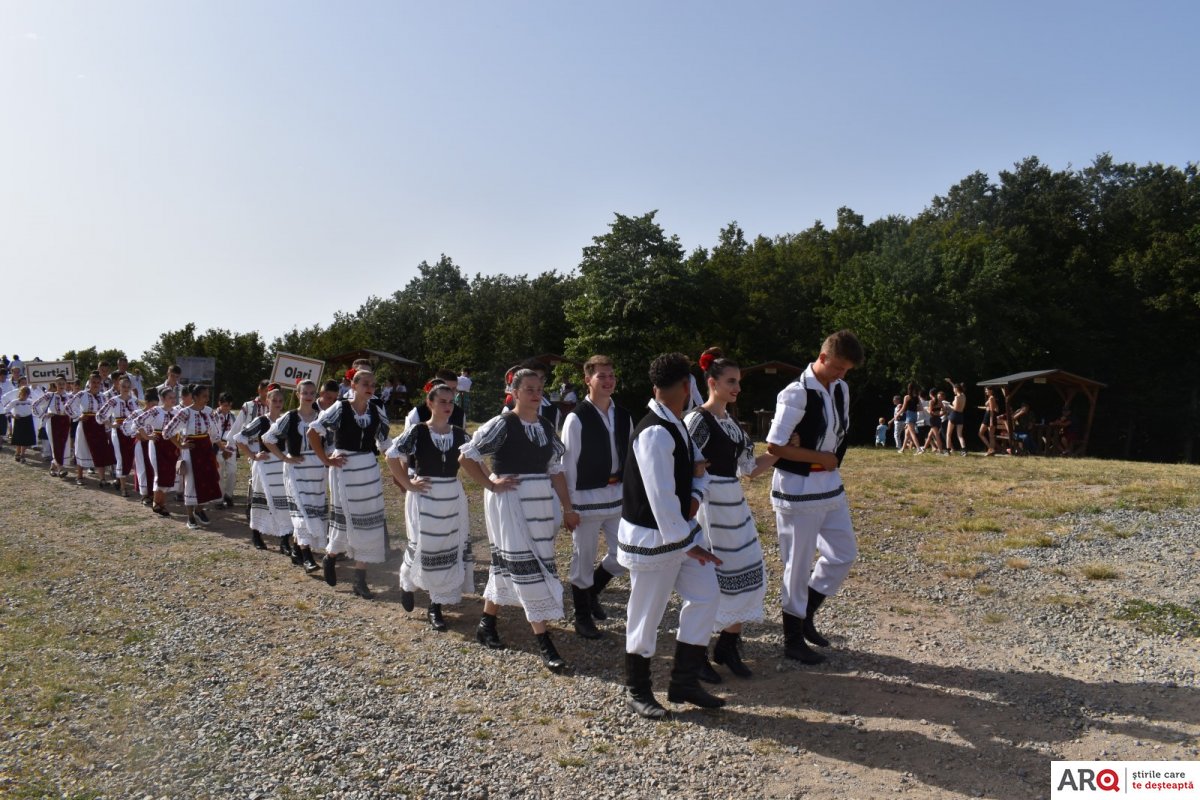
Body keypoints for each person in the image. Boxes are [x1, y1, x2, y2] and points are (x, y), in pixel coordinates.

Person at [619, 352, 724, 719]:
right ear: (686, 386)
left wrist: (695, 491)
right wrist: (689, 542)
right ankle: (637, 689)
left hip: (679, 534)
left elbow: (696, 472)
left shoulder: (674, 423)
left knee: (706, 595)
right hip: (653, 538)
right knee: (645, 613)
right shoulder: (654, 432)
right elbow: (661, 498)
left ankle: (684, 680)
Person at [459, 368, 578, 673]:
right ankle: (544, 641)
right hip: (510, 500)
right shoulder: (502, 424)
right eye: (529, 389)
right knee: (526, 564)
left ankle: (487, 623)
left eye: (539, 389)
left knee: (509, 564)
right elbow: (467, 457)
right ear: (514, 392)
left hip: (540, 502)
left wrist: (567, 507)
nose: (536, 394)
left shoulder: (545, 425)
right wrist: (491, 484)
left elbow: (555, 469)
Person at [765, 330, 863, 665]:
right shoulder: (795, 393)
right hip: (798, 487)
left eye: (846, 370)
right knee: (797, 564)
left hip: (829, 484)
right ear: (822, 357)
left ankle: (805, 614)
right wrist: (818, 457)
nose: (841, 374)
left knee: (843, 552)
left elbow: (840, 433)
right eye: (837, 367)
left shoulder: (840, 388)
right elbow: (775, 445)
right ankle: (792, 638)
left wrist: (829, 460)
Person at [684, 347, 781, 682]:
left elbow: (749, 469)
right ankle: (696, 654)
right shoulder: (698, 420)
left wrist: (779, 452)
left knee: (746, 570)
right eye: (731, 381)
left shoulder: (733, 425)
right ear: (712, 383)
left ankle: (727, 644)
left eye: (738, 381)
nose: (737, 387)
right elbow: (680, 462)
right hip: (708, 506)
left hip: (734, 506)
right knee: (710, 580)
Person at [385, 381, 472, 631]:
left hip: (451, 496)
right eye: (442, 401)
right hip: (424, 495)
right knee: (423, 545)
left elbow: (476, 458)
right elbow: (391, 455)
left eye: (450, 402)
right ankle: (407, 583)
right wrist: (407, 483)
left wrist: (493, 482)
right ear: (430, 403)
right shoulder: (419, 431)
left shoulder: (460, 434)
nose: (448, 406)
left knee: (446, 547)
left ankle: (436, 605)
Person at [560, 355, 632, 640]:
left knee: (624, 554)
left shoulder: (623, 415)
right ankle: (581, 616)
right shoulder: (576, 417)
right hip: (586, 498)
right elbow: (568, 465)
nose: (608, 380)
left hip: (617, 496)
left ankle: (592, 593)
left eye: (611, 375)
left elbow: (631, 458)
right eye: (602, 376)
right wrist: (569, 507)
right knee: (584, 558)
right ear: (587, 380)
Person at [306, 369, 390, 600]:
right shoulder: (340, 408)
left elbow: (385, 443)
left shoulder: (376, 409)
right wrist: (326, 459)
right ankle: (331, 555)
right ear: (353, 385)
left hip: (368, 468)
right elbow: (313, 432)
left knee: (368, 519)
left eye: (373, 384)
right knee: (345, 517)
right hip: (344, 466)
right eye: (365, 383)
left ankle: (360, 579)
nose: (370, 387)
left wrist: (399, 471)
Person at [262, 379, 327, 573]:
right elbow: (268, 438)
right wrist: (284, 457)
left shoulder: (322, 417)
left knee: (313, 510)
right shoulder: (290, 417)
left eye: (312, 393)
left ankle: (297, 551)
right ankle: (307, 557)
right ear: (298, 394)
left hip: (317, 470)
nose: (308, 396)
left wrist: (328, 458)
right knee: (301, 511)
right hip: (296, 469)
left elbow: (330, 441)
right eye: (305, 392)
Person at [235, 388, 291, 552]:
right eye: (274, 401)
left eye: (280, 401)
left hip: (281, 464)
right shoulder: (261, 421)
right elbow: (240, 438)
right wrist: (253, 455)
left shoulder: (285, 420)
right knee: (261, 500)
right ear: (267, 402)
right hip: (265, 464)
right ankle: (257, 534)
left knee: (285, 501)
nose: (278, 404)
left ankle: (284, 540)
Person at [163, 384, 223, 530]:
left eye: (208, 396)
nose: (207, 399)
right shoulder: (185, 412)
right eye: (204, 396)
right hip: (191, 450)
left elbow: (215, 433)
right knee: (191, 482)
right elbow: (167, 431)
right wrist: (180, 445)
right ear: (195, 397)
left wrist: (222, 447)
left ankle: (199, 509)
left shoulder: (209, 411)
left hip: (206, 449)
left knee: (208, 478)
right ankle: (190, 516)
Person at [70, 372, 117, 487]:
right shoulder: (82, 394)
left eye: (98, 382)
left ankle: (102, 479)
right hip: (85, 424)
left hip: (99, 425)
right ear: (89, 383)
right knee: (82, 449)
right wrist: (78, 416)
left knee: (101, 450)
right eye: (93, 382)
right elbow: (69, 406)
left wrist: (107, 426)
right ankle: (79, 476)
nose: (96, 385)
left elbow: (106, 412)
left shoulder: (103, 396)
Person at [97, 376, 140, 497]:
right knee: (120, 457)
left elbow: (139, 416)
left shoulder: (134, 400)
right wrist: (110, 424)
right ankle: (123, 487)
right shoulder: (114, 400)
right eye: (123, 386)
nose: (126, 389)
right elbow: (100, 415)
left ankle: (119, 480)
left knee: (130, 457)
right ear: (119, 387)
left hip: (131, 431)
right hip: (118, 431)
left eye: (128, 386)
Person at [141, 387, 178, 517]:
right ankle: (156, 502)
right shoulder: (156, 411)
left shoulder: (177, 412)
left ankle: (162, 503)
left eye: (174, 397)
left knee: (169, 473)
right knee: (160, 472)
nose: (173, 400)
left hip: (172, 444)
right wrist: (147, 436)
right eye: (170, 397)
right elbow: (138, 421)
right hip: (158, 443)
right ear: (162, 399)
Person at [124, 388, 159, 505]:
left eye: (156, 405)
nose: (154, 408)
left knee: (153, 468)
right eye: (153, 405)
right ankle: (144, 494)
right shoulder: (138, 413)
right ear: (147, 403)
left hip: (153, 443)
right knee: (142, 468)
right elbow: (125, 425)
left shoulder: (157, 414)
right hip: (141, 443)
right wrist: (136, 434)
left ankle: (153, 493)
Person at [33, 379, 72, 477]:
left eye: (63, 384)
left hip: (65, 421)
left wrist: (73, 416)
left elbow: (74, 408)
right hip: (53, 420)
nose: (61, 386)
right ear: (55, 384)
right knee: (55, 444)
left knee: (64, 443)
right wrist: (43, 415)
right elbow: (35, 405)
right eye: (59, 384)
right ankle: (61, 468)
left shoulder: (69, 396)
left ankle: (53, 466)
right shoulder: (50, 395)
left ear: (66, 385)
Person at [213, 392, 239, 508]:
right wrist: (220, 444)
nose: (227, 407)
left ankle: (228, 495)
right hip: (218, 446)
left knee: (232, 472)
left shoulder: (233, 416)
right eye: (225, 405)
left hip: (231, 447)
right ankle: (218, 499)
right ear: (219, 403)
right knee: (219, 473)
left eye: (229, 405)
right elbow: (212, 432)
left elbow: (237, 431)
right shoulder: (214, 415)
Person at [4, 386, 36, 462]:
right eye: (23, 394)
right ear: (20, 393)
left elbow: (36, 408)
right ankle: (17, 452)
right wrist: (13, 416)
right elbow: (6, 410)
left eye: (27, 394)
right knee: (19, 438)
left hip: (28, 420)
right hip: (19, 420)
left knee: (26, 438)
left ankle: (23, 454)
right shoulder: (15, 402)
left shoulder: (30, 401)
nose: (25, 396)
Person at [944, 379, 968, 456]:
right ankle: (964, 450)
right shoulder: (963, 396)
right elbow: (955, 387)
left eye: (954, 389)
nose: (953, 390)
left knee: (948, 434)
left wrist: (948, 405)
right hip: (960, 416)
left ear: (957, 389)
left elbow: (955, 408)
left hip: (954, 415)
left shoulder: (957, 397)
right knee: (960, 435)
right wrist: (950, 382)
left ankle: (947, 451)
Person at [978, 386, 1000, 456]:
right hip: (990, 416)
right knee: (991, 436)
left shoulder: (991, 398)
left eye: (987, 390)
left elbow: (991, 411)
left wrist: (991, 421)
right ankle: (991, 450)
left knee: (981, 433)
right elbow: (994, 408)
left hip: (989, 417)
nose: (985, 391)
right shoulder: (991, 398)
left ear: (991, 391)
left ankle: (990, 449)